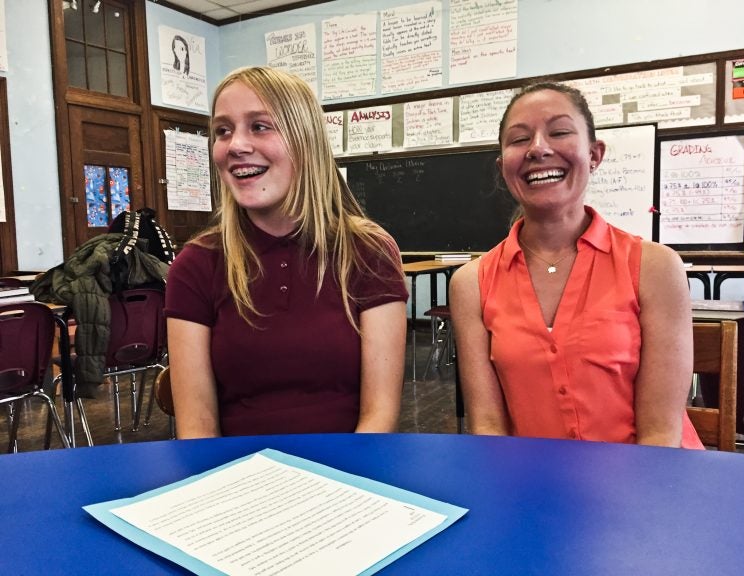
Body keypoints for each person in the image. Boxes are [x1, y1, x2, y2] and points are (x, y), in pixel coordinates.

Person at [450, 82, 703, 449]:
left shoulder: (655, 267)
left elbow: (660, 435)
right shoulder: (472, 283)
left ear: (595, 154)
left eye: (560, 132)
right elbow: (487, 428)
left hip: (647, 481)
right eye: (519, 139)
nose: (538, 148)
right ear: (503, 166)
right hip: (535, 485)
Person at [165, 66, 408, 438]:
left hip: (349, 475)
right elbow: (197, 429)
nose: (235, 146)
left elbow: (380, 417)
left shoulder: (368, 251)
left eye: (259, 126)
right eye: (222, 131)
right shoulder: (196, 265)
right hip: (237, 478)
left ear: (305, 140)